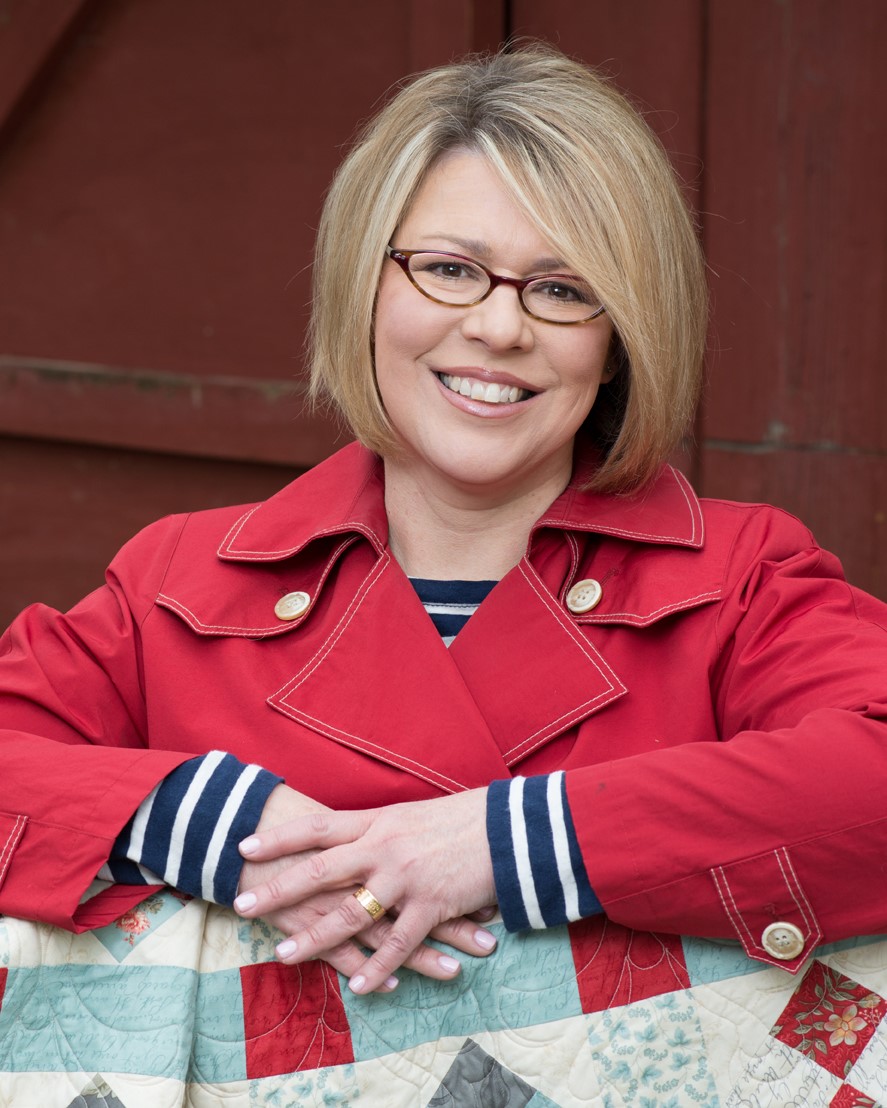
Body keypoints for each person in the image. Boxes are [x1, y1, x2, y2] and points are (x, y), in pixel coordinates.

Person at [2, 42, 887, 1105]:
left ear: (617, 338)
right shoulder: (176, 584)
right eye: (451, 269)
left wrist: (506, 841)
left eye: (563, 289)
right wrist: (192, 817)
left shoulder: (740, 577)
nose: (500, 326)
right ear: (363, 281)